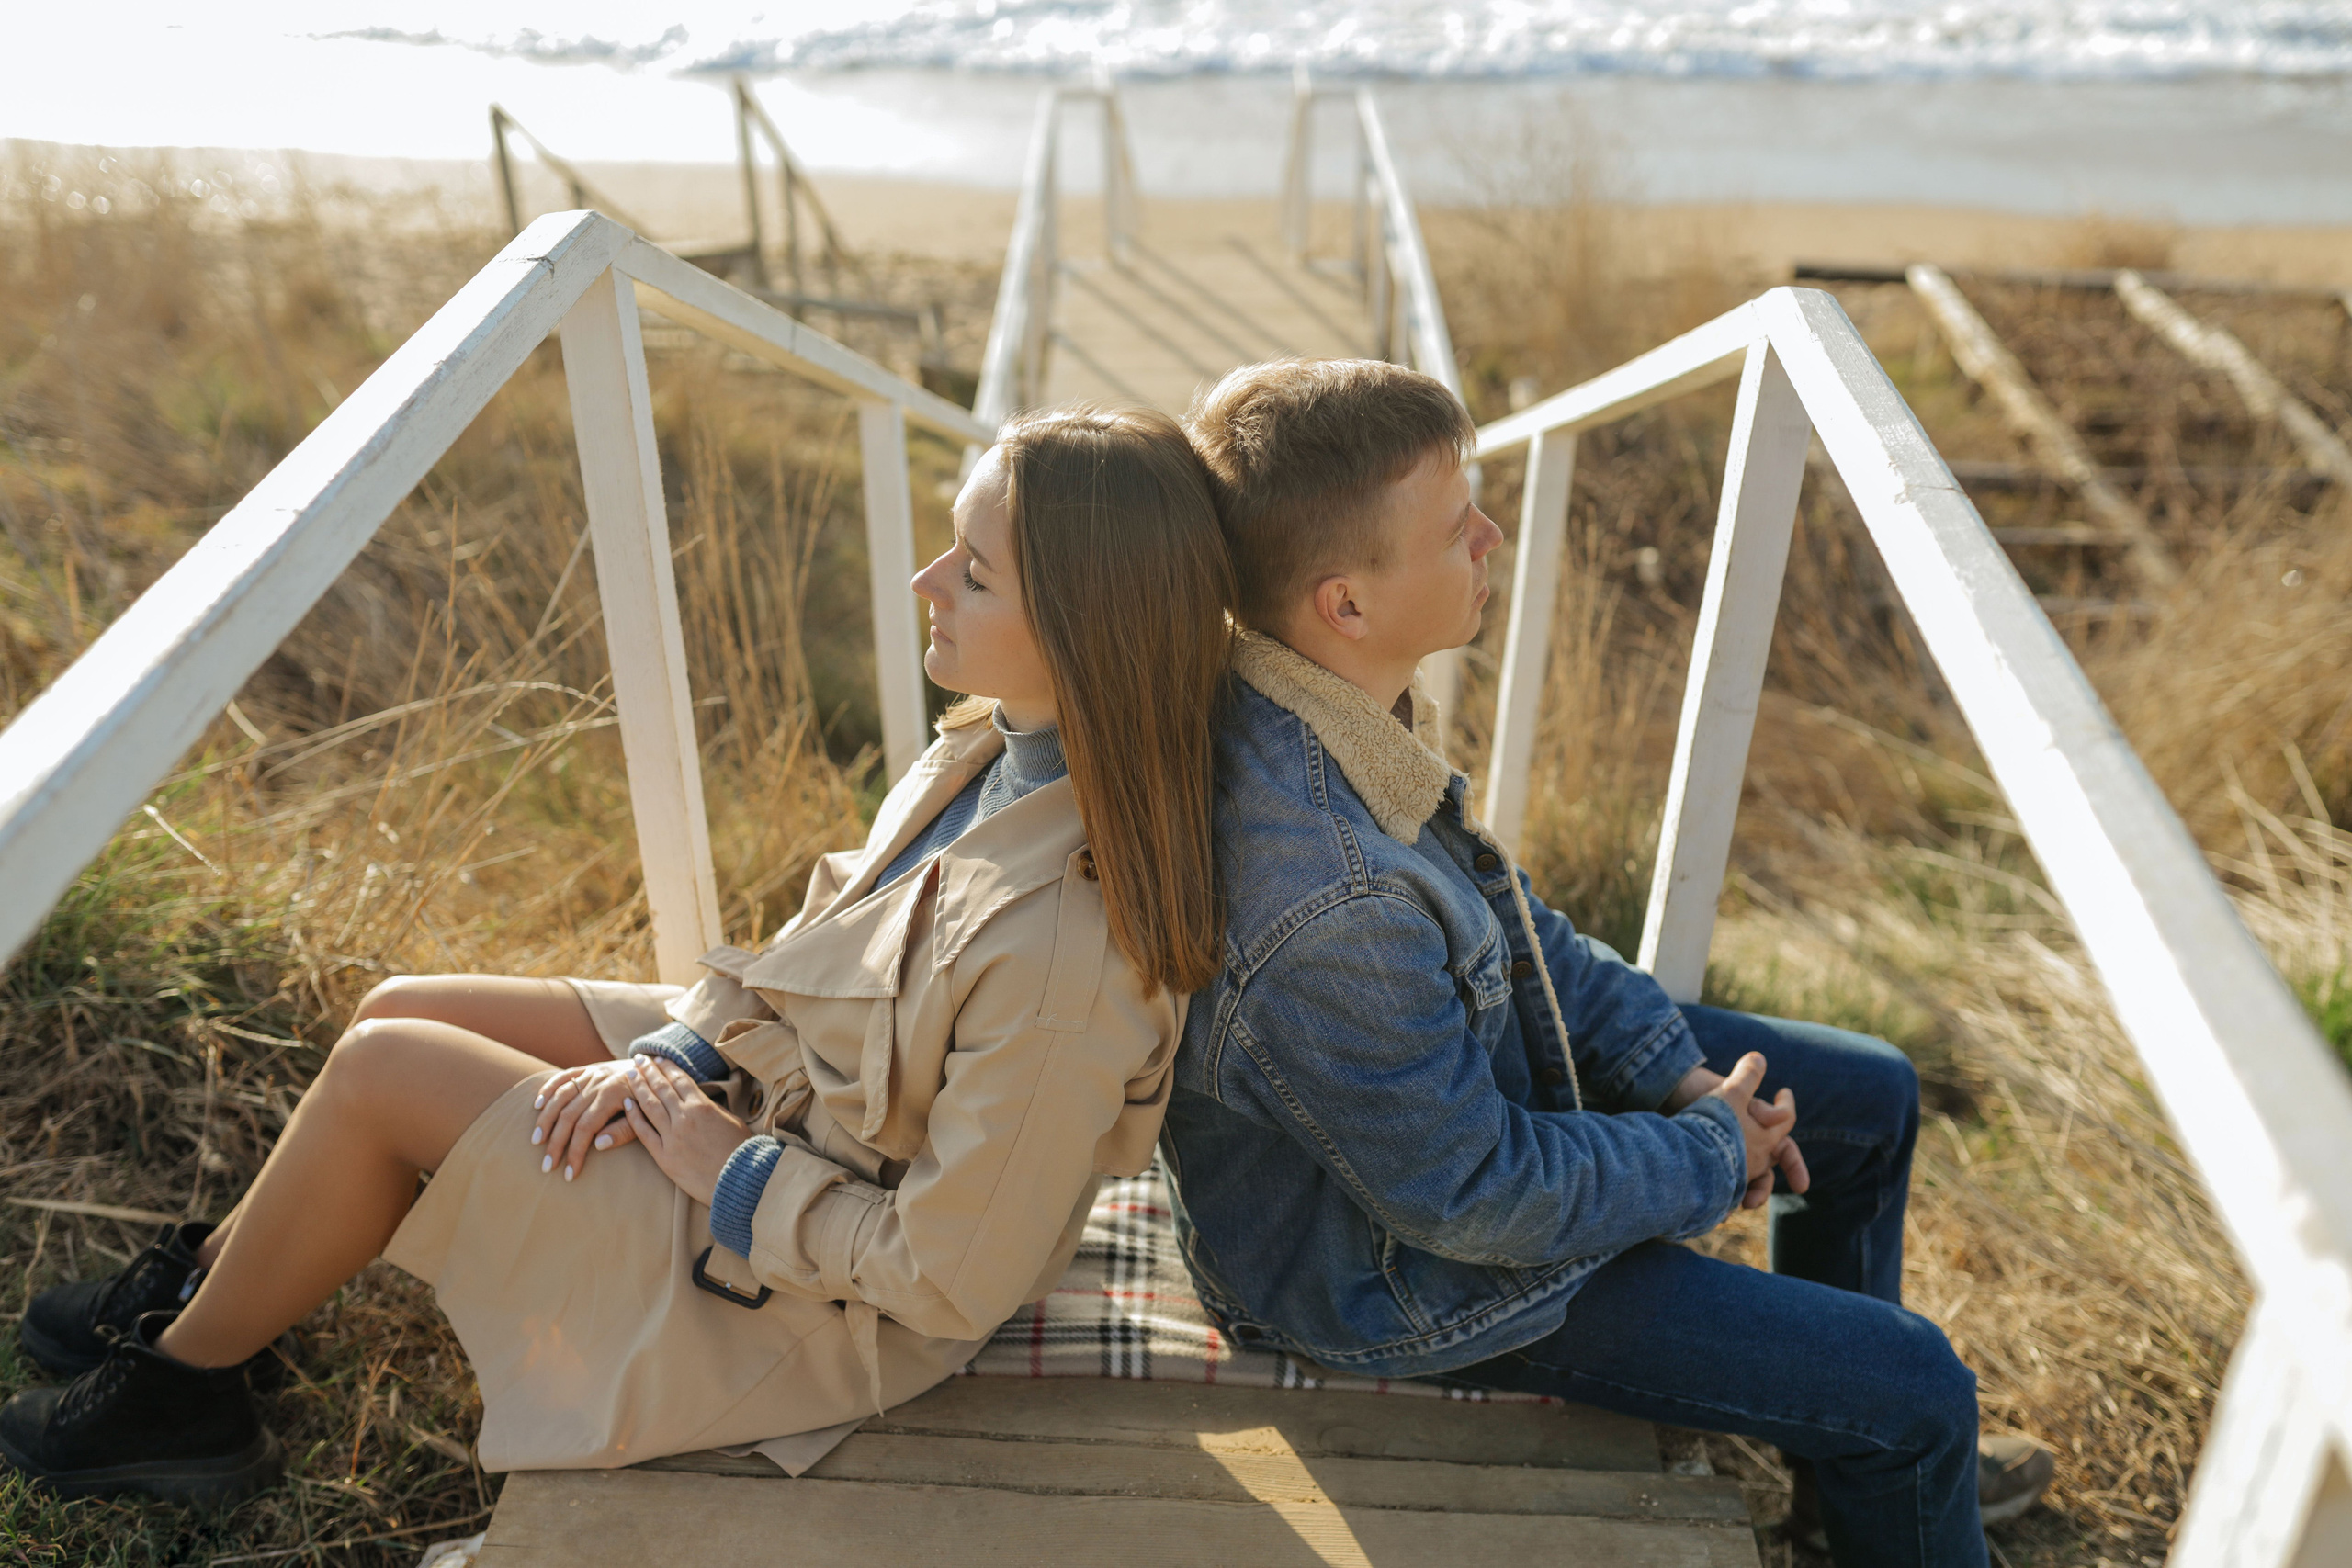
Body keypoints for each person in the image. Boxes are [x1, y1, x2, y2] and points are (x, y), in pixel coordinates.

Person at [0, 403, 1235, 1506]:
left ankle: (182, 1397)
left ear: (1083, 630)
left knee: (387, 1073)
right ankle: (217, 1299)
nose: (923, 581)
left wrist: (723, 1164)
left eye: (972, 571)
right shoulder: (988, 753)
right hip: (799, 1101)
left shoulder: (1070, 951)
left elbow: (949, 1278)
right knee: (402, 1005)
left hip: (820, 1292)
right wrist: (676, 1054)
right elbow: (828, 970)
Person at [1160, 358, 2052, 1567]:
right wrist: (1703, 1153)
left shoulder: (1331, 706)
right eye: (1453, 525)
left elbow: (1525, 939)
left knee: (1872, 1099)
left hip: (1456, 1146)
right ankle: (1891, 1445)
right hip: (1403, 1281)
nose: (1490, 536)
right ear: (1346, 603)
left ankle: (1865, 1482)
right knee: (1918, 1384)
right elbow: (1474, 1197)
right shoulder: (1328, 897)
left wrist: (1676, 1074)